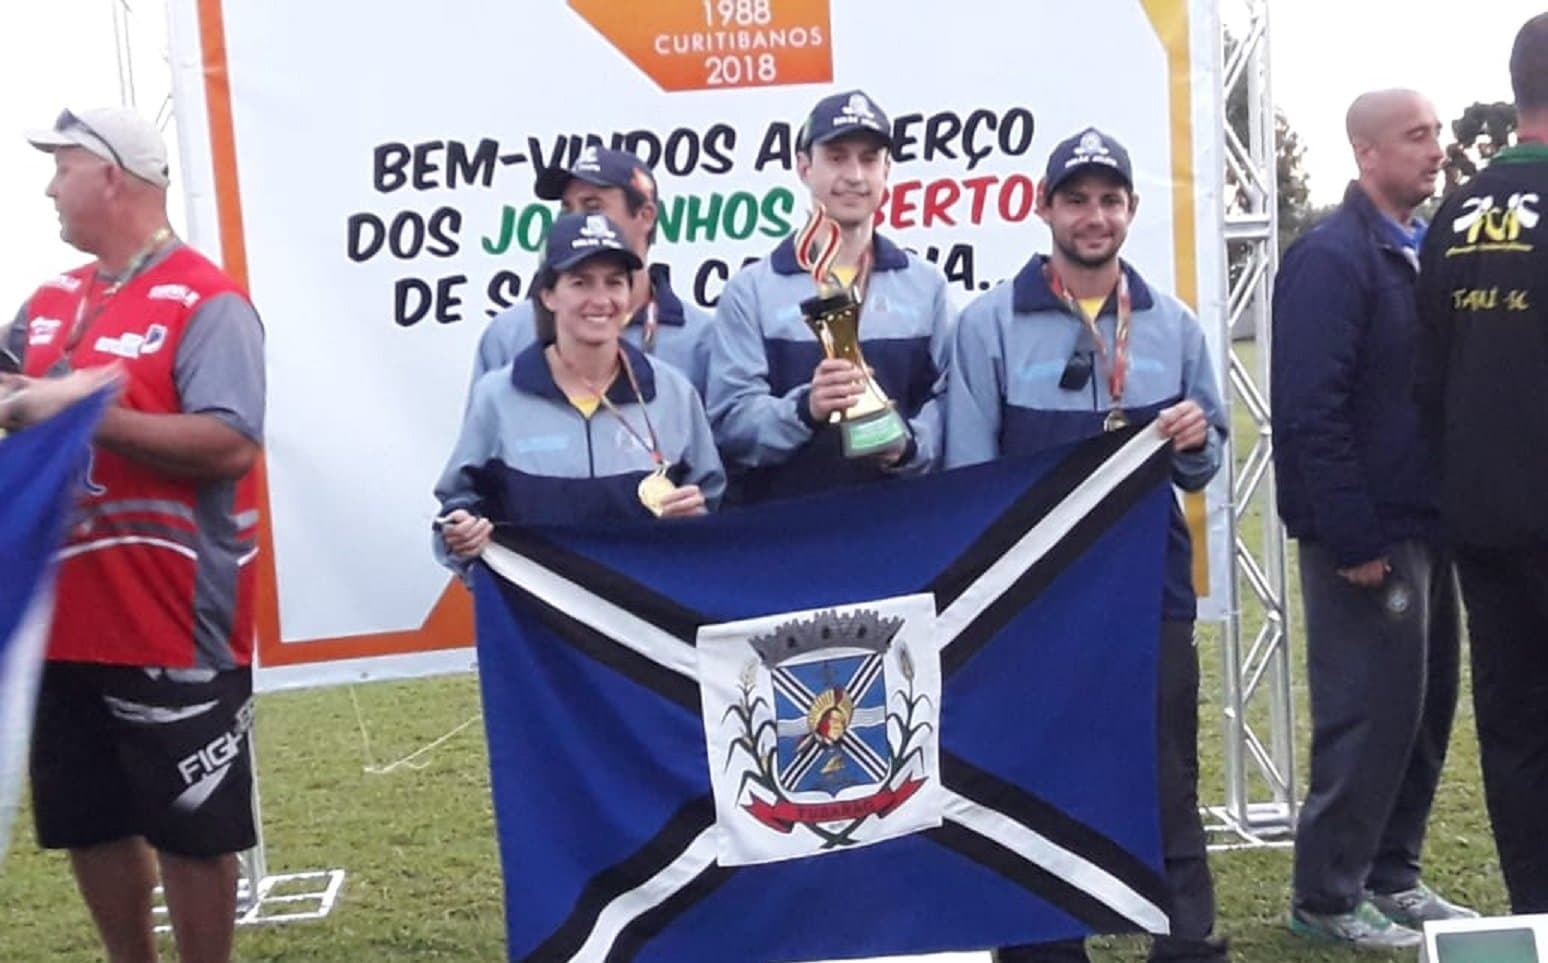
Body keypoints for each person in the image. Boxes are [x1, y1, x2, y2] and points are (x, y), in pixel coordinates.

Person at [947, 127, 1229, 963]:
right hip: (1031, 607)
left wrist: (1189, 437)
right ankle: (1041, 951)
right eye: (1077, 199)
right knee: (1030, 782)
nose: (1094, 216)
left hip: (1147, 596)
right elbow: (970, 474)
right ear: (1045, 210)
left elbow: (1206, 458)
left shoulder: (1173, 325)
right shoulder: (988, 324)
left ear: (1132, 210)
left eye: (1110, 200)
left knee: (1165, 779)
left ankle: (1186, 951)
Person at [13, 106, 266, 963]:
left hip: (173, 617)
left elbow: (231, 440)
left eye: (62, 167)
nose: (49, 185)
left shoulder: (208, 297)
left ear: (111, 174)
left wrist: (86, 408)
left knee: (194, 829)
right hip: (61, 618)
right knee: (89, 820)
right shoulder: (48, 301)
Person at [1272, 88, 1475, 949]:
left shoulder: (1424, 250)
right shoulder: (1331, 257)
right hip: (1367, 538)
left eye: (1438, 133)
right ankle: (1325, 894)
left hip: (1430, 527)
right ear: (1366, 153)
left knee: (1424, 709)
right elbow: (1309, 410)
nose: (1438, 149)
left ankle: (1393, 875)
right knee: (1368, 712)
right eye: (1417, 136)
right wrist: (1352, 537)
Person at [1415, 12, 1548, 915]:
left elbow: (1427, 375)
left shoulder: (1453, 215)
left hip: (1482, 517)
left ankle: (1538, 910)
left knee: (1513, 728)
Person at [705, 89, 952, 504]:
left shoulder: (927, 287)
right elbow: (730, 426)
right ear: (804, 167)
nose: (855, 175)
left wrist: (908, 447)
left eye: (869, 159)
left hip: (901, 528)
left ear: (887, 170)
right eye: (837, 157)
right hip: (789, 533)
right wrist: (805, 409)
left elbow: (951, 404)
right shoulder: (751, 291)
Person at [435, 212, 724, 565]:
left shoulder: (674, 393)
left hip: (650, 613)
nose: (601, 300)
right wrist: (460, 535)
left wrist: (696, 521)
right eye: (581, 283)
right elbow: (456, 509)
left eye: (614, 282)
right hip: (537, 614)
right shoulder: (499, 397)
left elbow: (712, 504)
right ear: (548, 295)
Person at [468, 147, 711, 395]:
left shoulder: (701, 339)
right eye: (567, 209)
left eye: (592, 208)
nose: (576, 222)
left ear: (645, 216)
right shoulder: (510, 332)